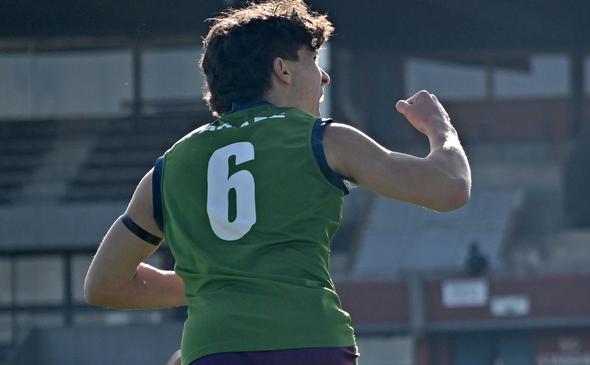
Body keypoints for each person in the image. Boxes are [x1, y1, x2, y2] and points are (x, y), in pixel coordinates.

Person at [83, 1, 471, 364]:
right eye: (313, 61)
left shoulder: (166, 169)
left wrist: (216, 282)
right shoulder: (324, 138)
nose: (324, 77)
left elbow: (103, 285)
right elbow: (450, 188)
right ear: (282, 70)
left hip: (212, 348)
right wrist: (441, 127)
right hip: (309, 342)